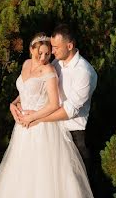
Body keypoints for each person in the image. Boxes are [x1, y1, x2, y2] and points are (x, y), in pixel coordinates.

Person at [0, 32, 93, 198]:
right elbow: (25, 91)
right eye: (40, 53)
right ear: (31, 49)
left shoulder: (52, 69)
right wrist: (14, 104)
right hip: (23, 128)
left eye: (47, 53)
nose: (44, 57)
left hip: (42, 127)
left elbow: (54, 104)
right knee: (20, 173)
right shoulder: (27, 64)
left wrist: (34, 117)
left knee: (43, 175)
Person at [30, 23, 101, 195]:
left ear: (69, 46)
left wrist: (38, 118)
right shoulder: (57, 63)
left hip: (74, 135)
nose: (52, 51)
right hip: (53, 132)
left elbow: (70, 110)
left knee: (76, 186)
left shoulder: (85, 72)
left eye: (56, 47)